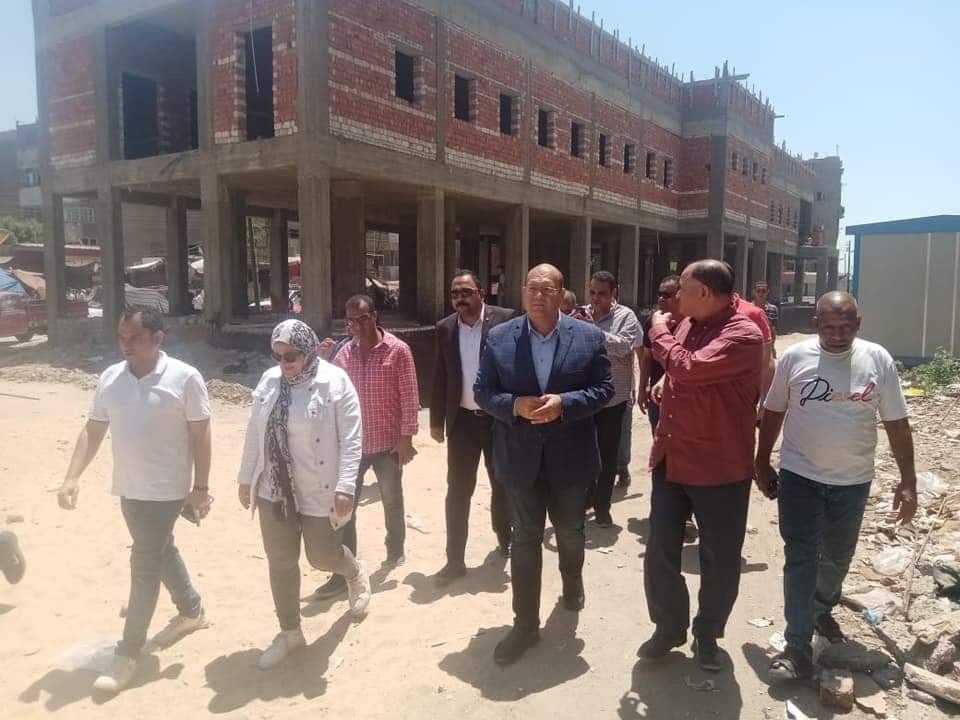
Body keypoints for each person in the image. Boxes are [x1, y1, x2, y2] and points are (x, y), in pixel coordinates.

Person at [756, 292, 917, 682]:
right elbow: (773, 410)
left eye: (845, 327)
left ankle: (821, 608)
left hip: (852, 481)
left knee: (837, 558)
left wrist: (908, 481)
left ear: (858, 324)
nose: (837, 335)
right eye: (828, 327)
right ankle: (796, 648)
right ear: (817, 324)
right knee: (801, 557)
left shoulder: (877, 359)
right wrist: (761, 461)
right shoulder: (795, 358)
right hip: (800, 477)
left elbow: (896, 422)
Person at [57, 308, 212, 694]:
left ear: (158, 338)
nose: (126, 345)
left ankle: (127, 653)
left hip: (168, 491)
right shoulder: (111, 379)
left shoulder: (184, 378)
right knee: (161, 551)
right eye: (122, 337)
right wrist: (72, 476)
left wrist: (200, 486)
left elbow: (201, 433)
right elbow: (93, 429)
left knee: (143, 565)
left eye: (135, 338)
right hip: (129, 489)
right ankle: (192, 610)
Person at [475, 263, 613, 666]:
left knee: (570, 531)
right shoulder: (499, 337)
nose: (539, 295)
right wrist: (514, 405)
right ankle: (525, 625)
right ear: (522, 291)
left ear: (562, 293)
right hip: (519, 458)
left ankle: (572, 579)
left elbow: (605, 388)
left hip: (570, 458)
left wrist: (565, 404)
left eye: (548, 289)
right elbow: (483, 391)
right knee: (525, 538)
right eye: (533, 288)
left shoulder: (588, 337)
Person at [639, 260, 763, 672]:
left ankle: (707, 634)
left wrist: (657, 331)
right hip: (673, 457)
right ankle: (668, 627)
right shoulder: (690, 324)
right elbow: (682, 369)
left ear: (705, 293)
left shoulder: (743, 334)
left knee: (719, 558)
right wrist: (665, 380)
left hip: (719, 465)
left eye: (683, 289)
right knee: (660, 550)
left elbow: (690, 366)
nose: (677, 297)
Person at [238, 320, 372, 670]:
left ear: (309, 350)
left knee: (322, 557)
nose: (285, 363)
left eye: (292, 355)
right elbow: (254, 432)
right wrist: (245, 478)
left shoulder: (335, 381)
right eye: (278, 356)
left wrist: (346, 486)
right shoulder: (269, 381)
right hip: (274, 488)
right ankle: (290, 632)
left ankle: (354, 572)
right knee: (280, 560)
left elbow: (352, 439)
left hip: (318, 487)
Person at [314, 294, 420, 599]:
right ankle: (345, 567)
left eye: (363, 318)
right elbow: (325, 392)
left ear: (374, 316)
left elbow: (410, 396)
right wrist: (320, 361)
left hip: (387, 443)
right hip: (352, 447)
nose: (358, 325)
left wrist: (406, 438)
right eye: (351, 320)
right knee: (345, 507)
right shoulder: (342, 355)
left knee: (392, 500)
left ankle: (395, 549)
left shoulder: (398, 350)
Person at [430, 271, 516, 583]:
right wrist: (436, 421)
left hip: (497, 421)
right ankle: (454, 561)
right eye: (455, 294)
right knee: (457, 492)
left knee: (502, 485)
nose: (460, 299)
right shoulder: (445, 328)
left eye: (466, 292)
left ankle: (505, 537)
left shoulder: (506, 320)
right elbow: (440, 375)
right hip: (462, 423)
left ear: (481, 293)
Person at [582, 271, 641, 527]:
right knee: (585, 454)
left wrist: (591, 332)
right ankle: (586, 499)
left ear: (613, 293)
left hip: (613, 399)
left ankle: (602, 507)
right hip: (584, 397)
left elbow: (625, 346)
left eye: (602, 294)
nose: (595, 299)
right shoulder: (581, 314)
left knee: (607, 456)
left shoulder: (626, 317)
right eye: (592, 292)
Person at [638, 275, 680, 435]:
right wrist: (642, 389)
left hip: (680, 396)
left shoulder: (692, 324)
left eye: (667, 295)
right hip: (657, 395)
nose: (661, 298)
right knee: (658, 438)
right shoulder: (652, 322)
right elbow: (646, 358)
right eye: (660, 294)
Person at [752, 280, 779, 347]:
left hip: (766, 345)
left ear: (767, 292)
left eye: (763, 291)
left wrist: (772, 346)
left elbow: (773, 330)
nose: (760, 294)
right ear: (754, 292)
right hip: (752, 345)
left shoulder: (773, 309)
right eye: (758, 291)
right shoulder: (748, 308)